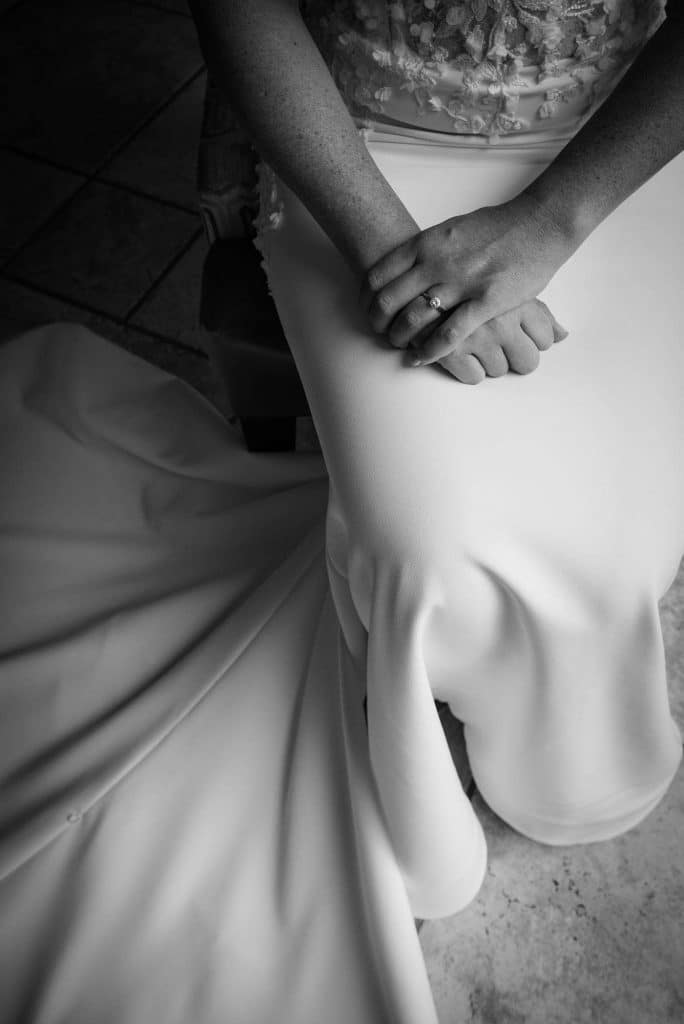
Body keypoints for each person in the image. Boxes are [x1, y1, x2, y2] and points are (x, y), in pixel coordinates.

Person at [0, 2, 682, 1022]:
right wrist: (394, 260)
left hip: (608, 165)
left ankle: (570, 771)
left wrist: (545, 227)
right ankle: (422, 807)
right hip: (361, 161)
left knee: (615, 551)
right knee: (427, 553)